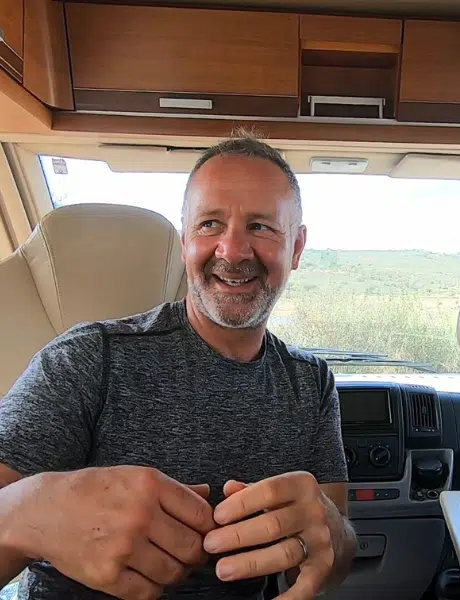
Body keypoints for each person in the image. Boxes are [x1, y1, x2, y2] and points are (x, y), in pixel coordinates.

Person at [0, 131, 357, 600]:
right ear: (185, 238)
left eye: (261, 226)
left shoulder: (310, 383)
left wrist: (330, 532)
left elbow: (334, 555)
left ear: (296, 248)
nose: (233, 251)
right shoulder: (88, 359)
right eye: (210, 224)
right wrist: (28, 510)